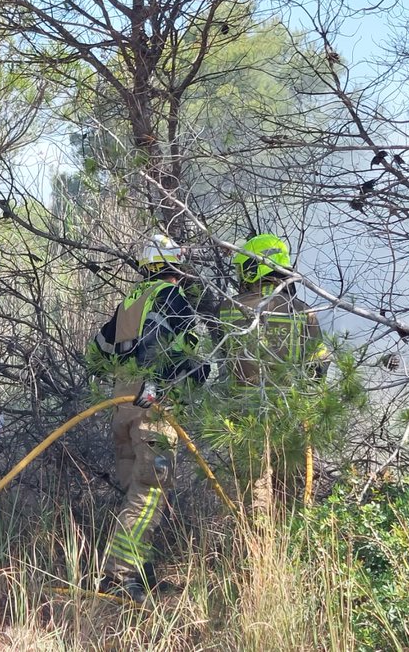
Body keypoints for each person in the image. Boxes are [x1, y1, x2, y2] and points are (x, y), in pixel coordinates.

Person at [85, 234, 208, 602]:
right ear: (173, 266)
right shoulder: (172, 298)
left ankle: (142, 575)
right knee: (150, 492)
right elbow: (191, 352)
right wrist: (188, 379)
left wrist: (125, 378)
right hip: (154, 409)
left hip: (123, 409)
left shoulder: (129, 302)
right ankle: (120, 578)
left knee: (136, 493)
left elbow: (96, 353)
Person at [217, 233, 329, 508]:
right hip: (288, 412)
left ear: (252, 267)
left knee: (251, 489)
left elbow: (223, 361)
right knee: (289, 489)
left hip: (242, 413)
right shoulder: (303, 312)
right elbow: (319, 363)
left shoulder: (228, 309)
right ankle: (285, 542)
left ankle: (253, 542)